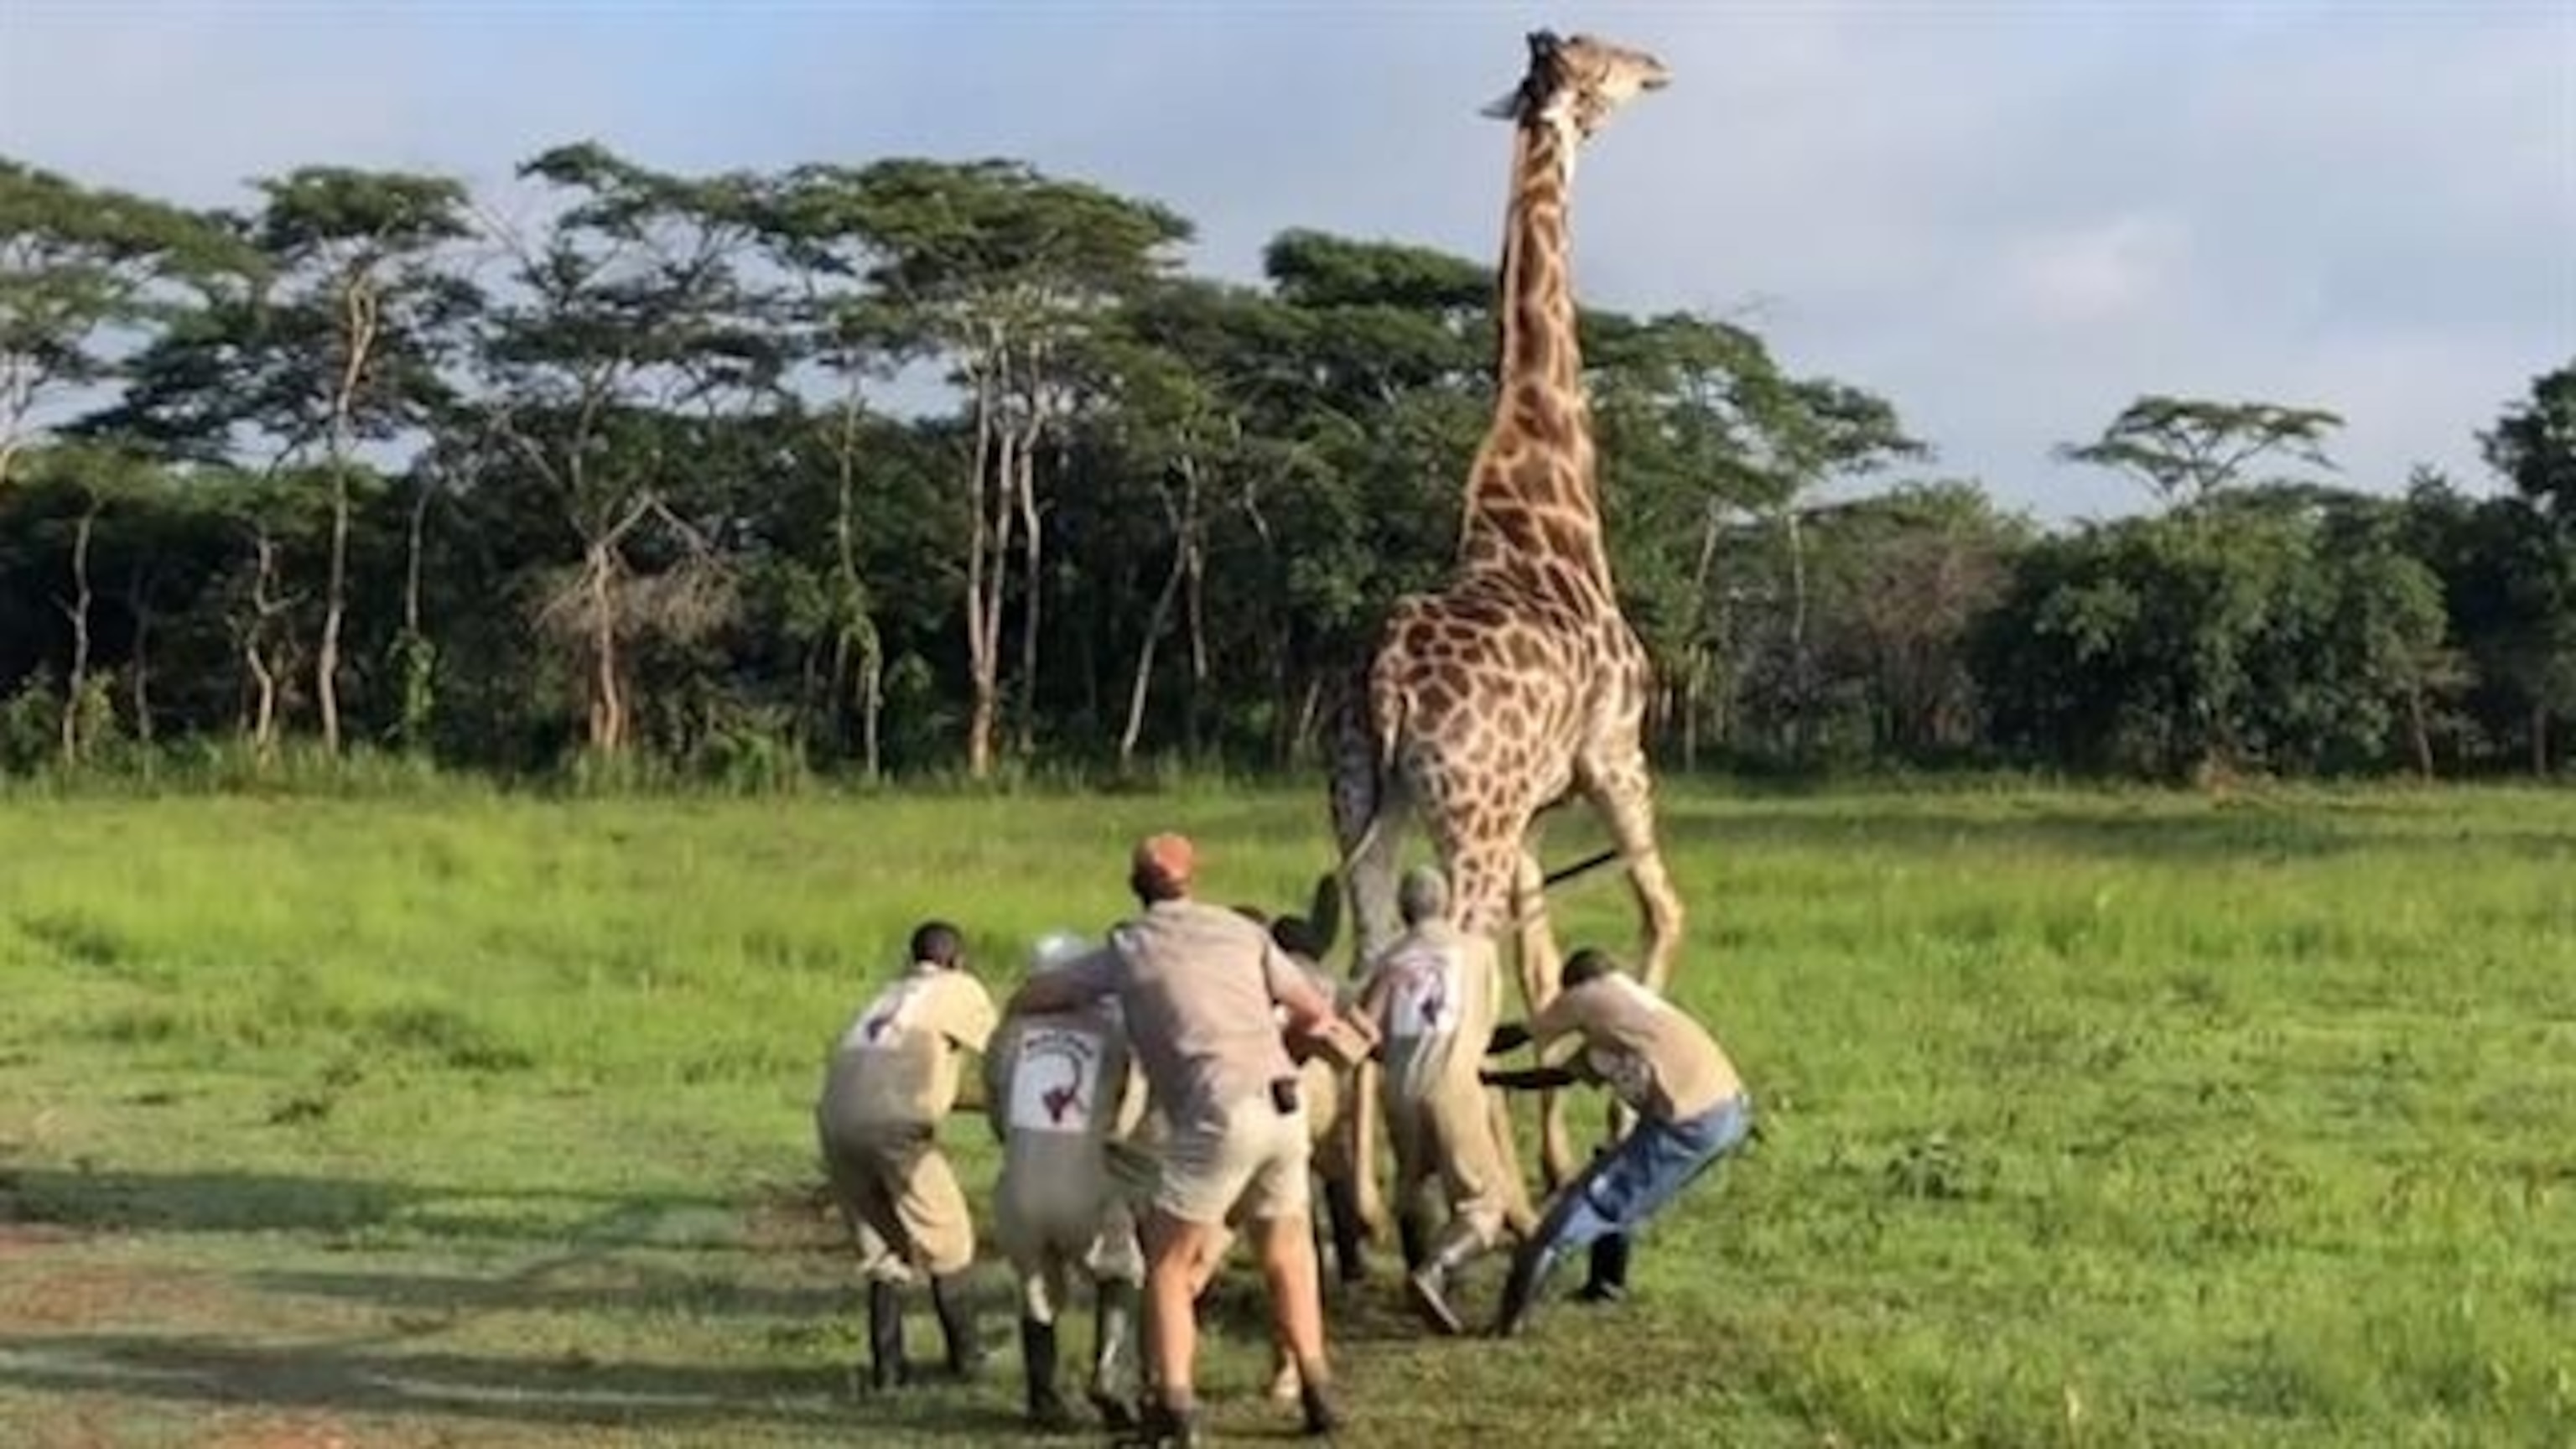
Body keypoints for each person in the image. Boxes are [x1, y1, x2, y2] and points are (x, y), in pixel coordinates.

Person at [1009, 834, 1372, 1447]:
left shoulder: (1130, 945)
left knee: (1169, 1264)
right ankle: (1317, 1390)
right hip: (1284, 1104)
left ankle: (1174, 1405)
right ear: (1192, 878)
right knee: (1288, 1253)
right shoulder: (1243, 932)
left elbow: (1048, 992)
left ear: (1136, 886)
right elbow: (1313, 1009)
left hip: (1217, 1111)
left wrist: (1019, 1006)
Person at [1481, 947, 1752, 1337]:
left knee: (1579, 1209)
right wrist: (1495, 1081)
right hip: (1726, 1110)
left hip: (1688, 1121)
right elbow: (1561, 1076)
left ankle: (1507, 1325)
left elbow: (1523, 1033)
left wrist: (1466, 1045)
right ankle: (1605, 1286)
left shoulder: (1590, 994)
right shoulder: (1632, 1013)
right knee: (1616, 1172)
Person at [814, 920, 999, 1390]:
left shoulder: (888, 995)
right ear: (957, 960)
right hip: (895, 1127)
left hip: (835, 1120)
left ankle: (888, 1369)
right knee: (950, 1238)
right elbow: (1003, 1052)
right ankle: (966, 1358)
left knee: (883, 1248)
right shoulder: (957, 988)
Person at [1353, 865, 1536, 1336]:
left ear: (1402, 910)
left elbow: (1365, 1031)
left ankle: (1418, 1283)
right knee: (1486, 1202)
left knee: (1414, 1185)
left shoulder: (1390, 959)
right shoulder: (1478, 951)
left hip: (1400, 1088)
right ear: (1448, 903)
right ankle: (1435, 1270)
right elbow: (1486, 1025)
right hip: (1453, 1084)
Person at [984, 930, 1150, 1431]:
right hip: (1084, 1185)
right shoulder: (1114, 1035)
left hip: (1018, 1189)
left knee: (1035, 1289)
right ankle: (1108, 1372)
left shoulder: (1007, 1037)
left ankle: (1042, 1398)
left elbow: (997, 1119)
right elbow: (1125, 1120)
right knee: (1122, 1271)